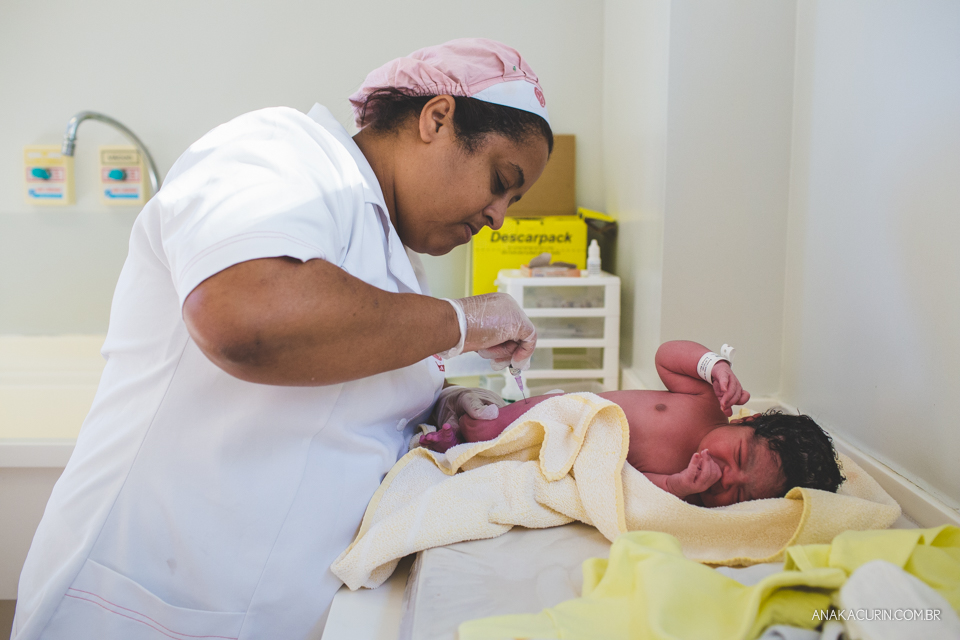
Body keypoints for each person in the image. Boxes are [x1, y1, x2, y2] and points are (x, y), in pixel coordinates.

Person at [13, 39, 553, 640]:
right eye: (500, 181)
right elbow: (249, 319)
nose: (499, 216)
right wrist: (466, 319)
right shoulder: (280, 152)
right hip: (151, 605)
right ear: (437, 119)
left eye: (512, 200)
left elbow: (333, 404)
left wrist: (435, 407)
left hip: (279, 606)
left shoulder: (393, 260)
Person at [422, 340, 845, 507]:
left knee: (491, 456)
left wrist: (679, 485)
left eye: (740, 494)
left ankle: (452, 439)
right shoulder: (707, 404)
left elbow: (634, 488)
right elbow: (666, 357)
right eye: (738, 456)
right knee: (486, 427)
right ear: (746, 421)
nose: (725, 477)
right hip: (569, 411)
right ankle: (457, 409)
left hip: (571, 453)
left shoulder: (689, 487)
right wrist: (713, 365)